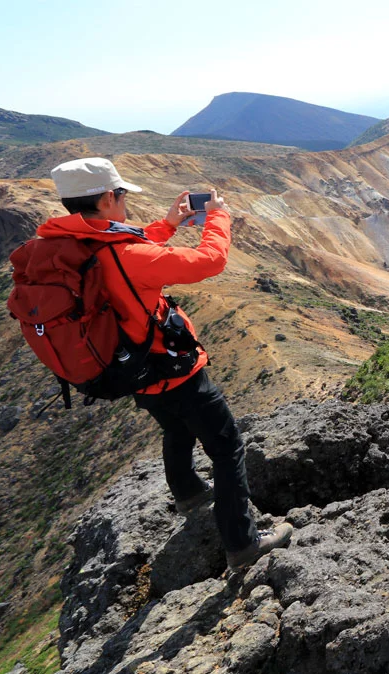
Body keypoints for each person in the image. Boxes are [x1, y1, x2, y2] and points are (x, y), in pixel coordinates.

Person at [43, 157, 290, 572]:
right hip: (171, 367)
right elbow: (209, 261)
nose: (124, 203)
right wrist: (219, 218)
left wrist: (169, 223)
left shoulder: (73, 245)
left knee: (175, 426)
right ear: (107, 198)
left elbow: (130, 253)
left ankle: (189, 492)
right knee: (227, 448)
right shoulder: (124, 254)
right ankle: (243, 544)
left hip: (129, 369)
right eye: (121, 195)